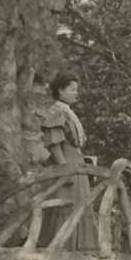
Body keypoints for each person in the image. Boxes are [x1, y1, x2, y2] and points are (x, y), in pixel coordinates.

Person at [40, 73, 96, 250]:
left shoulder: (66, 110)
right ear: (60, 90)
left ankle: (80, 247)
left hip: (76, 160)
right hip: (66, 162)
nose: (76, 93)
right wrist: (65, 169)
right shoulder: (56, 111)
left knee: (80, 204)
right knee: (66, 204)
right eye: (72, 89)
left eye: (76, 89)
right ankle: (62, 247)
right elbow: (54, 143)